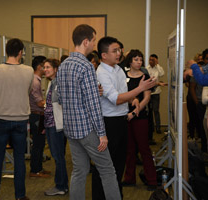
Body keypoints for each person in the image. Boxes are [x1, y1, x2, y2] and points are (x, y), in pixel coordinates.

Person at [57, 24, 121, 200]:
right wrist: (102, 134)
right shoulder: (86, 66)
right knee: (108, 170)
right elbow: (93, 105)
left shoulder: (63, 65)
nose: (94, 44)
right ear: (86, 41)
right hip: (88, 130)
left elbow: (61, 98)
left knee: (79, 170)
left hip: (71, 129)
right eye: (93, 40)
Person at [93, 36, 156, 199]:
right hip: (108, 122)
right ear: (104, 55)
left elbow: (123, 92)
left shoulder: (118, 69)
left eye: (119, 50)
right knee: (106, 165)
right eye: (115, 51)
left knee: (119, 163)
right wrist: (140, 89)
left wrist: (132, 98)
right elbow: (116, 98)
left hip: (121, 120)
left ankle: (115, 195)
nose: (119, 53)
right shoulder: (101, 73)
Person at [0, 38, 33, 200]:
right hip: (21, 120)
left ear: (6, 52)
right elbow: (27, 91)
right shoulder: (29, 71)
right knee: (19, 160)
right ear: (21, 52)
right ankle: (20, 196)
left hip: (1, 120)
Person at [121, 49, 157, 190]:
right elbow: (122, 94)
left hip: (140, 117)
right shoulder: (123, 76)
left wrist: (135, 112)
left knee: (144, 149)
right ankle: (129, 178)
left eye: (140, 60)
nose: (139, 62)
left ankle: (152, 180)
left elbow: (147, 98)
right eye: (136, 59)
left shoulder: (145, 76)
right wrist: (131, 102)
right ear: (130, 61)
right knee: (129, 150)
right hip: (124, 115)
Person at [43, 59, 69, 196]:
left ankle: (61, 186)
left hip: (56, 125)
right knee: (57, 155)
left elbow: (62, 104)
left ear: (56, 69)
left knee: (58, 156)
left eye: (48, 67)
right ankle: (62, 184)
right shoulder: (51, 83)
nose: (45, 69)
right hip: (50, 124)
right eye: (44, 67)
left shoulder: (60, 83)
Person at [29, 56, 51, 178]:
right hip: (36, 115)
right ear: (39, 67)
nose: (46, 69)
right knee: (38, 143)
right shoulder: (35, 81)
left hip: (38, 115)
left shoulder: (36, 79)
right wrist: (52, 104)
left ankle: (38, 168)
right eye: (45, 66)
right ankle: (35, 170)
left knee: (40, 143)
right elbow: (39, 103)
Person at [146, 54, 167, 135]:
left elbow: (162, 74)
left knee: (156, 110)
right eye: (150, 60)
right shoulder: (146, 68)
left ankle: (158, 127)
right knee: (149, 111)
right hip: (148, 92)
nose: (151, 61)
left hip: (156, 92)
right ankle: (150, 127)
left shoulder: (158, 68)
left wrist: (157, 64)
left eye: (153, 60)